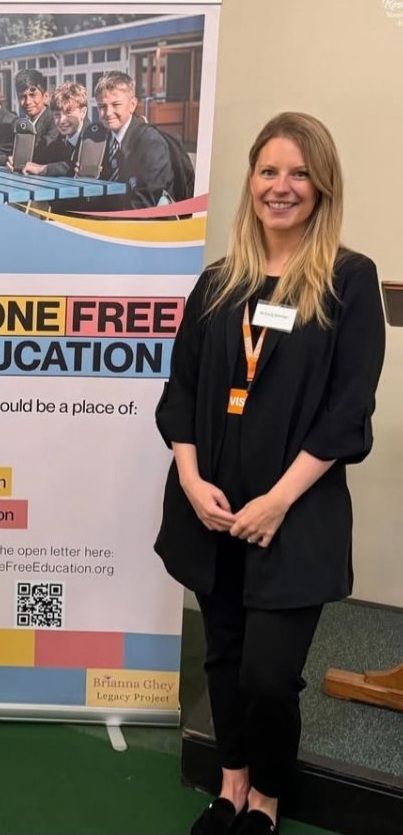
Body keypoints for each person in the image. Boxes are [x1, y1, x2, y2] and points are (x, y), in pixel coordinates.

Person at [154, 113, 385, 835]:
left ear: (320, 186)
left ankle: (268, 795)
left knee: (267, 674)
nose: (280, 187)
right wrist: (190, 481)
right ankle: (230, 784)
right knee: (222, 655)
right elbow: (181, 392)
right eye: (267, 171)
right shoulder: (220, 283)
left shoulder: (348, 279)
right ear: (249, 180)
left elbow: (347, 412)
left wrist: (278, 501)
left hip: (294, 516)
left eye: (297, 173)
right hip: (212, 508)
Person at [94, 71, 173, 209]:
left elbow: (145, 202)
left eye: (116, 104)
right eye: (102, 106)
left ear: (132, 105)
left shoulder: (151, 143)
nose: (108, 113)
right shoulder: (104, 141)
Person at [17, 81, 89, 177]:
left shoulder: (92, 138)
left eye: (68, 113)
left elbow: (75, 165)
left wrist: (44, 169)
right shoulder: (62, 138)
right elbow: (43, 158)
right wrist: (19, 164)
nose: (62, 120)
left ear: (83, 112)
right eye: (57, 115)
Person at [14, 69, 59, 163]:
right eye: (22, 97)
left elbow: (44, 152)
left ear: (45, 97)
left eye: (32, 95)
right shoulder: (22, 123)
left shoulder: (54, 121)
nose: (27, 102)